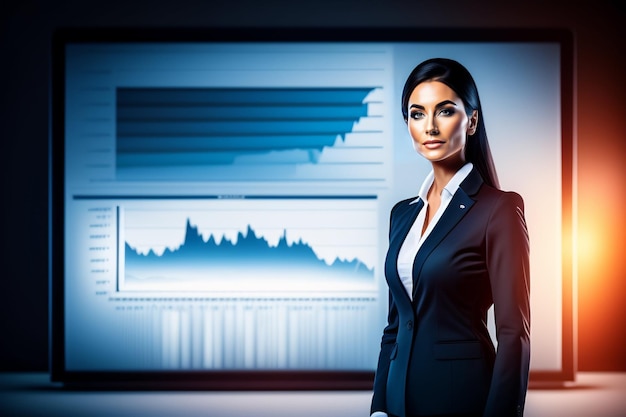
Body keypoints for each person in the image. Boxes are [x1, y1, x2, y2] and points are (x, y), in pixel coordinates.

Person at [370, 58, 530, 417]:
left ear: (471, 120)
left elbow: (513, 335)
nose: (429, 126)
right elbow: (394, 328)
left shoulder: (499, 209)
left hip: (461, 400)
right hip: (397, 403)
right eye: (416, 113)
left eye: (444, 111)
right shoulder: (402, 214)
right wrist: (379, 407)